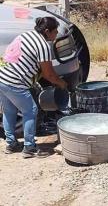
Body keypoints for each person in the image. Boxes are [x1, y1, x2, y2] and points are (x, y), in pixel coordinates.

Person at [0, 17, 67, 158]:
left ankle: (11, 144)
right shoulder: (43, 46)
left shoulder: (26, 35)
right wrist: (61, 83)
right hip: (15, 82)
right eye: (55, 32)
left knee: (9, 111)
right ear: (47, 31)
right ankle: (29, 148)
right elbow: (49, 74)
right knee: (31, 110)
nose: (56, 35)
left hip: (2, 77)